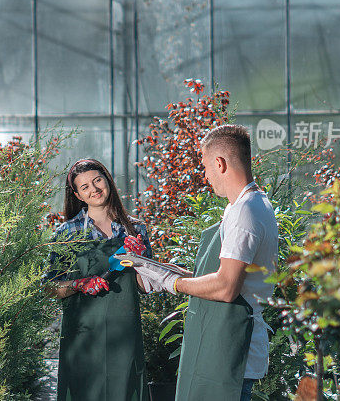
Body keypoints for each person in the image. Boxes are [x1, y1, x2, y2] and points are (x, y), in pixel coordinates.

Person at [125, 125, 278, 401]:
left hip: (234, 348)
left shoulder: (246, 213)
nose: (205, 176)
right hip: (222, 342)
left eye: (205, 166)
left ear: (220, 164)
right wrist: (161, 271)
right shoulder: (241, 206)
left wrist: (172, 283)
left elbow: (226, 287)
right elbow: (214, 274)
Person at [47, 158, 153, 401]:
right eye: (85, 187)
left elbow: (146, 287)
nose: (94, 189)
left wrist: (140, 261)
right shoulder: (68, 233)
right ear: (78, 195)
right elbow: (50, 287)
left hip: (124, 334)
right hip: (82, 337)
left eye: (97, 180)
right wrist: (79, 284)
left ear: (107, 181)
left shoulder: (135, 229)